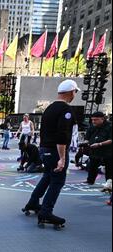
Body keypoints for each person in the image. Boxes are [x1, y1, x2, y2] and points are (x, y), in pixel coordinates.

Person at [22, 79, 78, 228]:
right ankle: (46, 211)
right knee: (57, 181)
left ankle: (33, 202)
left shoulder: (49, 108)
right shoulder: (66, 110)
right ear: (71, 92)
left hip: (44, 149)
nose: (75, 94)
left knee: (47, 177)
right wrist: (62, 158)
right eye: (75, 92)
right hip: (55, 151)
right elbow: (62, 135)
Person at [82, 112, 112, 185]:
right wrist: (86, 143)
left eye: (96, 120)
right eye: (92, 120)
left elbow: (111, 140)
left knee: (109, 168)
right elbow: (87, 138)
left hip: (108, 151)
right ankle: (90, 180)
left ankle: (109, 184)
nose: (93, 121)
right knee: (92, 166)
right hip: (94, 150)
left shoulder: (110, 126)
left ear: (102, 119)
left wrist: (99, 144)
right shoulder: (92, 126)